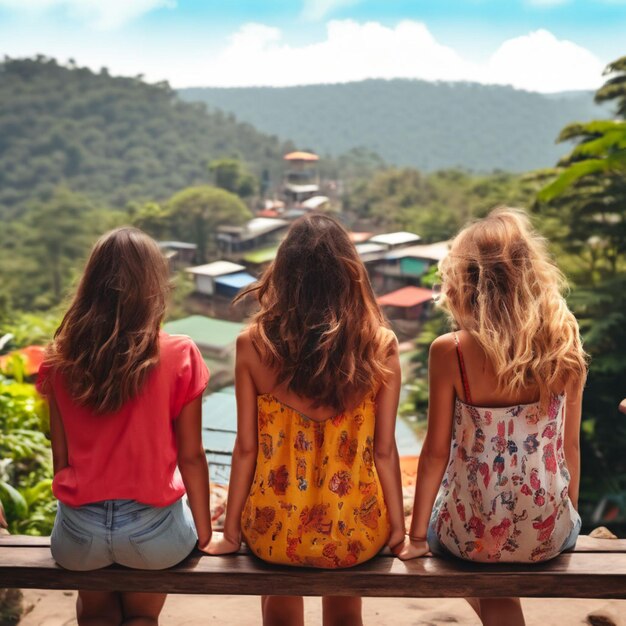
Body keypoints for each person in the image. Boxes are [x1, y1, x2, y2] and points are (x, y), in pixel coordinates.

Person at [208, 214, 405, 626]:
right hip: (355, 530)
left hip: (273, 528)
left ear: (284, 273)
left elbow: (246, 448)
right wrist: (399, 533)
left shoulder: (253, 345)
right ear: (350, 274)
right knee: (346, 617)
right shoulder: (380, 345)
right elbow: (385, 451)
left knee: (278, 615)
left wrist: (229, 534)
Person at [398, 208, 587, 626]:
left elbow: (433, 455)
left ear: (464, 281)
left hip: (469, 534)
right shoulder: (564, 343)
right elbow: (569, 447)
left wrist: (414, 539)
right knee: (498, 579)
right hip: (547, 530)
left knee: (459, 547)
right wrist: (562, 525)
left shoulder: (451, 351)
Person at [37, 227, 211, 626]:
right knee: (141, 618)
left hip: (79, 533)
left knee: (95, 613)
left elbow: (60, 460)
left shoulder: (59, 359)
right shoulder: (180, 353)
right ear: (152, 285)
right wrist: (204, 533)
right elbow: (191, 456)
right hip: (156, 534)